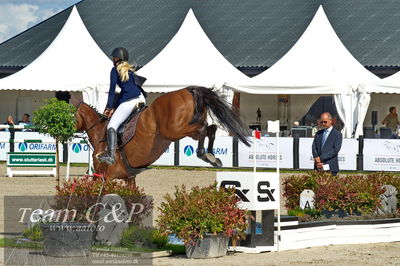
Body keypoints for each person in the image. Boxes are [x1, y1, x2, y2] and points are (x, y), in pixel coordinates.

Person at [97, 47, 146, 165]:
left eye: (113, 57)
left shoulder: (114, 70)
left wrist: (108, 108)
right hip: (141, 98)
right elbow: (126, 90)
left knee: (111, 127)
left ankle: (111, 156)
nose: (112, 60)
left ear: (117, 58)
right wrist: (114, 106)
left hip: (129, 101)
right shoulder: (130, 69)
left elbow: (112, 91)